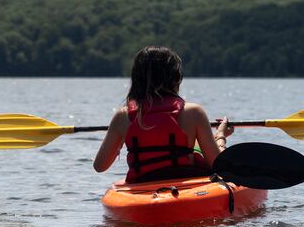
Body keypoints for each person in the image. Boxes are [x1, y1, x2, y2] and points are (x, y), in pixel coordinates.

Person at [94, 45, 232, 183]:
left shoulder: (122, 116)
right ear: (176, 78)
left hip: (142, 185)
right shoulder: (194, 113)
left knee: (196, 146)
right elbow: (218, 165)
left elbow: (100, 166)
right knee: (196, 148)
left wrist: (118, 141)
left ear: (136, 79)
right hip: (185, 184)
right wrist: (220, 136)